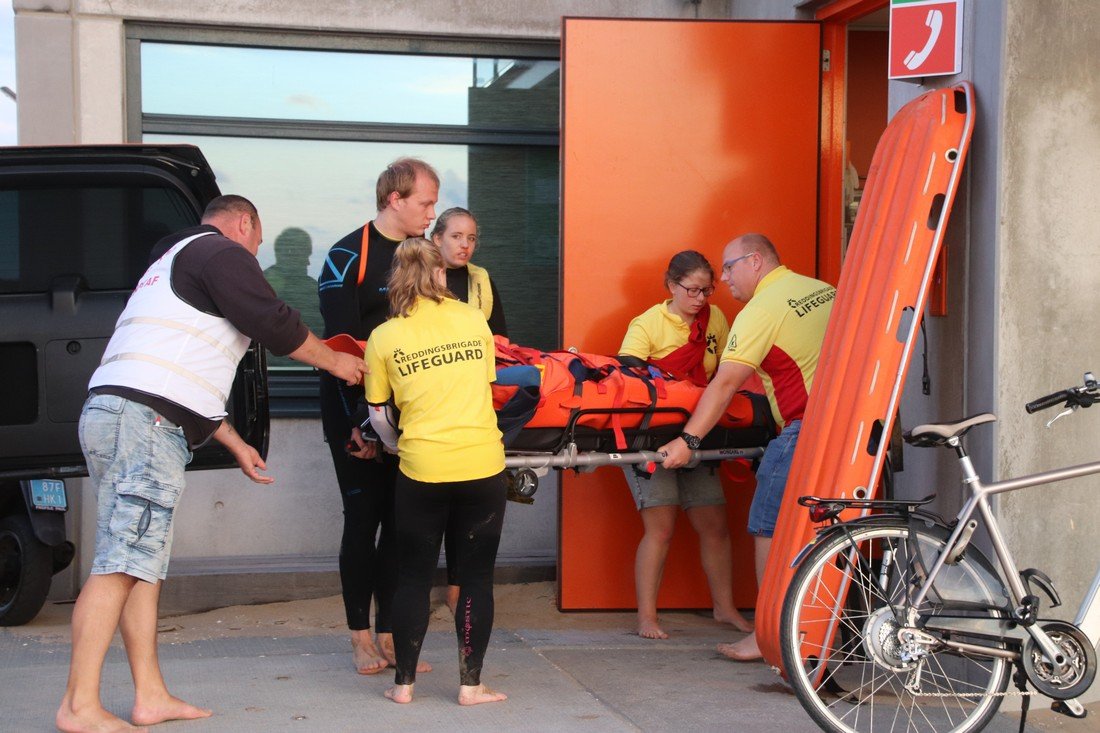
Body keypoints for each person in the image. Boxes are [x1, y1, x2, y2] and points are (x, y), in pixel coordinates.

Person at [55, 195, 367, 733]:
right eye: (258, 242)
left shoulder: (166, 267)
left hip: (119, 412)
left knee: (140, 562)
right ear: (243, 224)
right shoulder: (220, 251)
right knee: (124, 562)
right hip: (145, 423)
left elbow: (176, 370)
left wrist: (235, 441)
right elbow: (272, 320)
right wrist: (337, 360)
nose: (255, 255)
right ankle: (79, 705)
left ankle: (149, 694)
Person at [659, 233, 835, 662]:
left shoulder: (761, 309)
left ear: (755, 261)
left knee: (767, 528)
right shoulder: (822, 289)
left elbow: (725, 383)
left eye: (729, 267)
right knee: (826, 534)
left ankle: (767, 635)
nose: (724, 279)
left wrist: (688, 440)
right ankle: (824, 628)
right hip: (844, 428)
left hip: (802, 430)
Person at [364, 238, 508, 706]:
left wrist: (394, 447)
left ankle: (403, 684)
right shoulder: (472, 320)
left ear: (397, 278)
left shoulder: (384, 337)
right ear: (440, 274)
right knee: (476, 579)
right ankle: (471, 685)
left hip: (421, 468)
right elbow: (484, 389)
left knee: (412, 578)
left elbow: (380, 415)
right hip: (482, 464)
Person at [317, 157, 439, 675]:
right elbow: (342, 349)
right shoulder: (348, 255)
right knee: (363, 522)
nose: (432, 213)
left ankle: (390, 632)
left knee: (402, 525)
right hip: (354, 413)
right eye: (425, 203)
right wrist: (360, 426)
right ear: (395, 199)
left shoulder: (430, 257)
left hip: (412, 415)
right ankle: (360, 636)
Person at [617, 250, 753, 640]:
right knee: (660, 528)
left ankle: (724, 608)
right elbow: (627, 381)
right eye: (691, 290)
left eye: (706, 290)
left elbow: (730, 370)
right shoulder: (646, 324)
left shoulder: (717, 320)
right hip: (652, 438)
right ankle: (647, 616)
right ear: (671, 286)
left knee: (714, 524)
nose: (699, 298)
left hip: (699, 432)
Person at [429, 206, 507, 612]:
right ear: (437, 237)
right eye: (457, 236)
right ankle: (422, 588)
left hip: (473, 400)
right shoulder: (418, 275)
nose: (465, 245)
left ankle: (458, 589)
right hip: (429, 400)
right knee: (431, 503)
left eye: (471, 238)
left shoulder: (481, 280)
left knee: (468, 503)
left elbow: (502, 340)